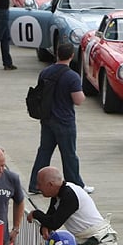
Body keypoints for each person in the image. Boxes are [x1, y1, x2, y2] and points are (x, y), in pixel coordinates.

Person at [28, 166, 120, 245]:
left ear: (50, 184)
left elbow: (54, 222)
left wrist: (35, 214)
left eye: (39, 184)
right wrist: (45, 225)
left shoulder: (70, 195)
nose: (37, 188)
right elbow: (50, 218)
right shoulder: (58, 194)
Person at [28, 44, 92, 195]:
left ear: (57, 54)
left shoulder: (45, 72)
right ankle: (76, 185)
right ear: (71, 56)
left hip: (47, 119)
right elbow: (78, 100)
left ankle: (35, 184)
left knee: (44, 152)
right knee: (69, 154)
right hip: (64, 121)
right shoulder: (72, 76)